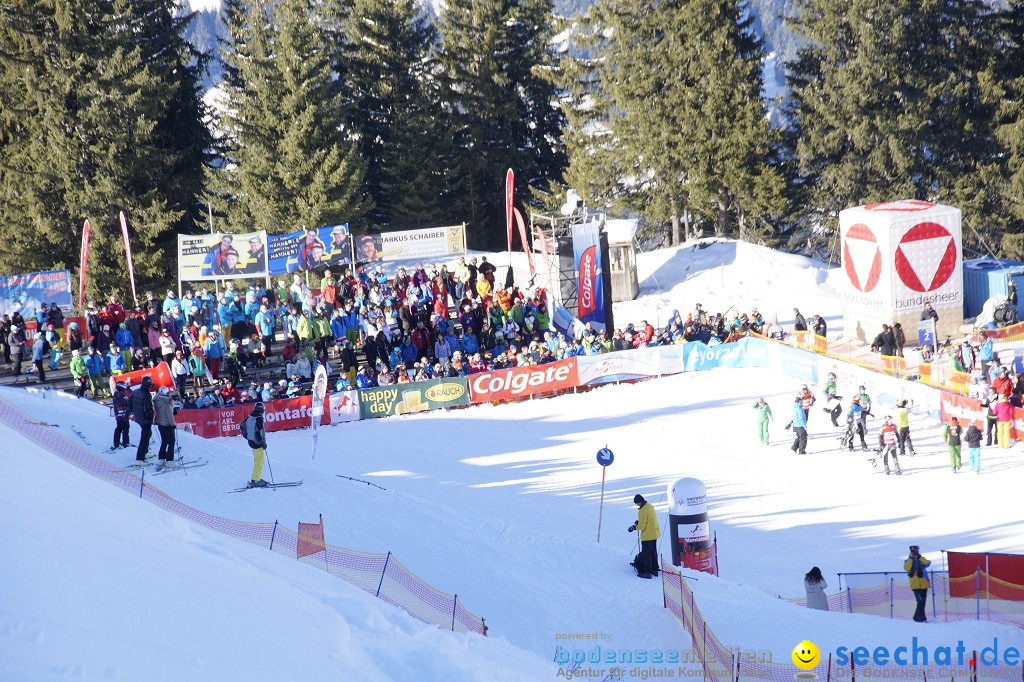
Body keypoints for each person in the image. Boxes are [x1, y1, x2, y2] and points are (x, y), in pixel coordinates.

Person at [628, 494, 661, 578]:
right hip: (655, 533)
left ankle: (648, 571)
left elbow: (642, 526)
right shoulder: (649, 506)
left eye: (636, 503)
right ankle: (655, 569)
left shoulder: (642, 511)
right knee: (653, 551)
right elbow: (647, 520)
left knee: (646, 553)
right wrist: (639, 522)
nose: (637, 505)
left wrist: (634, 527)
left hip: (648, 535)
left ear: (639, 502)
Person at [240, 402, 268, 487]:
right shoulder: (258, 418)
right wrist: (262, 443)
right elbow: (258, 432)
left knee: (257, 460)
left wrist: (247, 436)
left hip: (251, 441)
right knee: (260, 461)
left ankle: (256, 477)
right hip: (256, 442)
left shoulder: (250, 416)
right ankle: (255, 480)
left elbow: (242, 425)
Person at [129, 376, 155, 462]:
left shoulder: (135, 391)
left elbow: (130, 405)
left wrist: (134, 413)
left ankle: (145, 452)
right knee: (144, 438)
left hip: (138, 417)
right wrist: (151, 417)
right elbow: (147, 409)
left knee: (148, 434)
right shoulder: (146, 395)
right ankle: (140, 458)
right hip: (145, 419)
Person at [903, 545, 931, 623]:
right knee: (920, 601)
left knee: (922, 602)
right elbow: (907, 568)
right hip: (915, 585)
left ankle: (917, 618)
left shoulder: (921, 559)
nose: (916, 553)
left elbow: (928, 563)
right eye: (914, 551)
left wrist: (920, 557)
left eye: (917, 551)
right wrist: (911, 558)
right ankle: (921, 619)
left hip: (924, 584)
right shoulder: (907, 561)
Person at [153, 386, 177, 470]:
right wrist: (173, 424)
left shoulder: (156, 400)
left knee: (164, 441)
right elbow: (169, 414)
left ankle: (161, 458)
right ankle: (170, 460)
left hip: (160, 423)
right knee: (171, 442)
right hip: (167, 424)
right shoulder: (167, 401)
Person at [111, 381, 132, 449]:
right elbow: (128, 403)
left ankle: (116, 442)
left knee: (119, 428)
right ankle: (125, 442)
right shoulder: (124, 396)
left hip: (118, 415)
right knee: (126, 428)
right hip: (124, 415)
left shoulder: (116, 394)